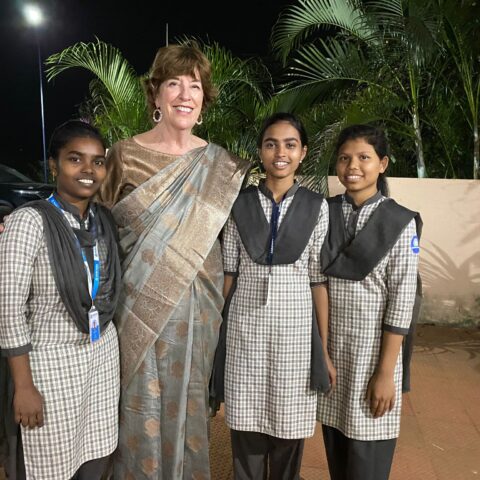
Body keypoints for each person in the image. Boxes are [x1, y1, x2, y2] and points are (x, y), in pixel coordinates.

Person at [98, 44, 249, 479]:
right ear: (156, 95)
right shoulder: (124, 156)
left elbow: (233, 244)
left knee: (190, 403)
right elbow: (92, 227)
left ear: (204, 99)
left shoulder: (220, 165)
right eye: (174, 83)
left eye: (194, 85)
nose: (185, 93)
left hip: (200, 315)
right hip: (135, 309)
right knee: (136, 403)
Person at [0, 120, 121, 480]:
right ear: (54, 165)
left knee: (95, 461)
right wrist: (23, 386)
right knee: (48, 467)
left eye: (97, 161)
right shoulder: (29, 223)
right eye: (75, 159)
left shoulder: (105, 222)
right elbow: (7, 310)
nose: (88, 170)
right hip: (49, 369)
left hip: (101, 362)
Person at [219, 113, 334, 479]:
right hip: (245, 330)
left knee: (288, 427)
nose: (279, 152)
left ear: (303, 153)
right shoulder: (240, 205)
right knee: (246, 424)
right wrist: (217, 333)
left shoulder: (317, 208)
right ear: (260, 151)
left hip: (295, 335)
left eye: (290, 144)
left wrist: (324, 350)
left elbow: (318, 281)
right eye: (271, 144)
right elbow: (229, 272)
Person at [317, 124, 422, 480]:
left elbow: (402, 300)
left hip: (372, 355)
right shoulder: (324, 212)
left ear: (383, 164)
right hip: (332, 353)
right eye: (344, 158)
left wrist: (385, 374)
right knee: (337, 448)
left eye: (364, 157)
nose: (352, 166)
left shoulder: (399, 222)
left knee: (367, 455)